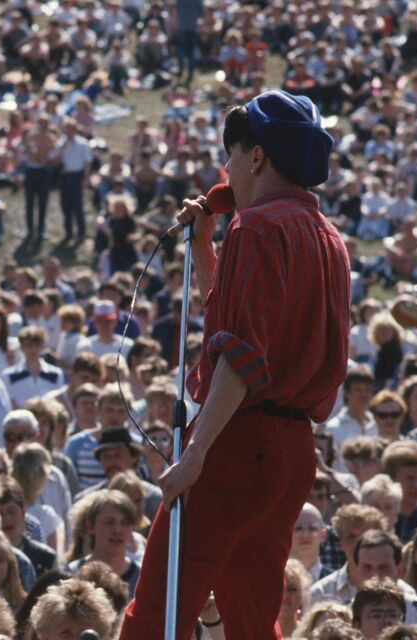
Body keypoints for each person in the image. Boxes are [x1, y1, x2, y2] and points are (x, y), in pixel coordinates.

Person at [121, 89, 349, 640]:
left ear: (255, 157)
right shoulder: (327, 236)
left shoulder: (257, 226)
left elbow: (243, 357)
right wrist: (205, 247)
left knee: (161, 604)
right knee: (251, 613)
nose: (224, 169)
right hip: (292, 451)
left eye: (230, 154)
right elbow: (240, 318)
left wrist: (195, 453)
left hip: (236, 440)